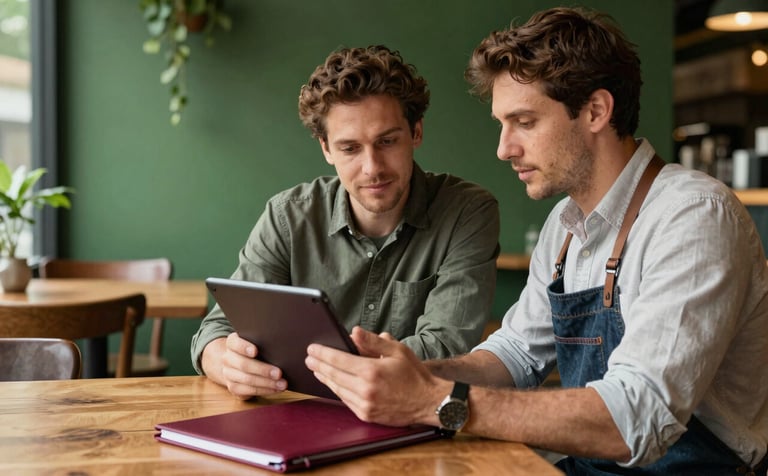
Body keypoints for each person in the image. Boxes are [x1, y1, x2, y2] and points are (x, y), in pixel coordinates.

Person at [305, 7, 768, 475]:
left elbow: (635, 420)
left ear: (595, 111)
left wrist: (436, 400)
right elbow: (514, 355)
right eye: (502, 124)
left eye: (524, 122)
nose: (504, 148)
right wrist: (413, 374)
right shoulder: (565, 225)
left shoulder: (692, 216)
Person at [191, 45, 500, 400]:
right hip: (300, 417)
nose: (372, 168)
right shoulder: (287, 216)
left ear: (416, 132)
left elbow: (445, 346)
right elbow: (217, 330)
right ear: (326, 148)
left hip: (414, 423)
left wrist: (311, 366)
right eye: (350, 148)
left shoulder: (467, 211)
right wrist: (227, 362)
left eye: (387, 141)